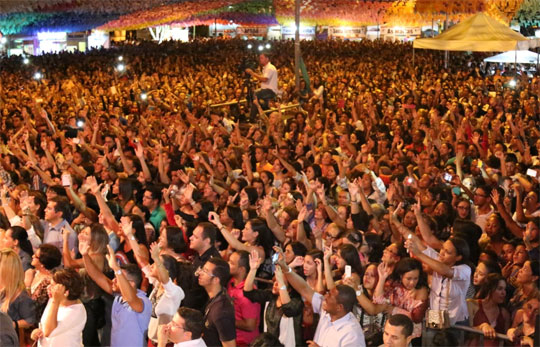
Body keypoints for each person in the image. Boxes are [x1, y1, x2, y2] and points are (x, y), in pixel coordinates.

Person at [277, 254, 366, 346]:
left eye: (330, 296)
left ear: (339, 307)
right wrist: (285, 267)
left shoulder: (352, 334)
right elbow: (304, 289)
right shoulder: (327, 310)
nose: (325, 296)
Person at [82, 243, 152, 347]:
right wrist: (85, 255)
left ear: (131, 284)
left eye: (119, 277)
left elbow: (130, 298)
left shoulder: (143, 301)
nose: (114, 280)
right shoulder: (118, 296)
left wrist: (116, 269)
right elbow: (96, 275)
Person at [31, 268, 87, 347]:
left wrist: (55, 301)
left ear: (66, 292)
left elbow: (48, 331)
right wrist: (37, 332)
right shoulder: (54, 300)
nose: (48, 288)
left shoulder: (76, 311)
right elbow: (45, 326)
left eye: (53, 286)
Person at [195, 256, 236, 347]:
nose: (200, 273)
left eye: (205, 271)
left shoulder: (221, 311)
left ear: (216, 280)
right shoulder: (214, 299)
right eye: (202, 269)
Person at [227, 250, 260, 346]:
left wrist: (226, 319)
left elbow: (250, 325)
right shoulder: (231, 282)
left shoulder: (249, 293)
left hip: (245, 343)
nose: (228, 264)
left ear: (241, 269)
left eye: (231, 263)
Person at [246, 53, 278, 119]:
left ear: (267, 59)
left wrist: (253, 73)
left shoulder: (270, 68)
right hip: (267, 89)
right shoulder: (266, 68)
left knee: (255, 94)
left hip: (270, 90)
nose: (260, 59)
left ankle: (252, 117)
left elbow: (265, 79)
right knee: (263, 103)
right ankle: (267, 115)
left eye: (261, 58)